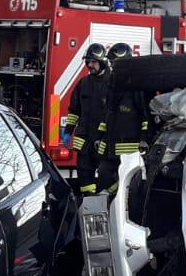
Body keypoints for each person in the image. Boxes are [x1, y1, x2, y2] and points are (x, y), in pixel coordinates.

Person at [95, 44, 149, 194]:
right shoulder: (112, 84)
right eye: (111, 62)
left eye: (115, 63)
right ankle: (108, 200)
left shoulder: (137, 86)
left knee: (125, 181)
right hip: (110, 145)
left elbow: (145, 117)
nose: (112, 66)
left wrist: (144, 138)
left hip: (129, 149)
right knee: (104, 176)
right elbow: (107, 115)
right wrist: (100, 136)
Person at [63, 44, 111, 196]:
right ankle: (88, 201)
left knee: (107, 176)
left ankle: (115, 202)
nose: (89, 65)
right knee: (84, 175)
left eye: (93, 62)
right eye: (87, 61)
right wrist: (68, 131)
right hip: (84, 139)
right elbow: (74, 111)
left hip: (103, 140)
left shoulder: (113, 83)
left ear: (103, 62)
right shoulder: (83, 83)